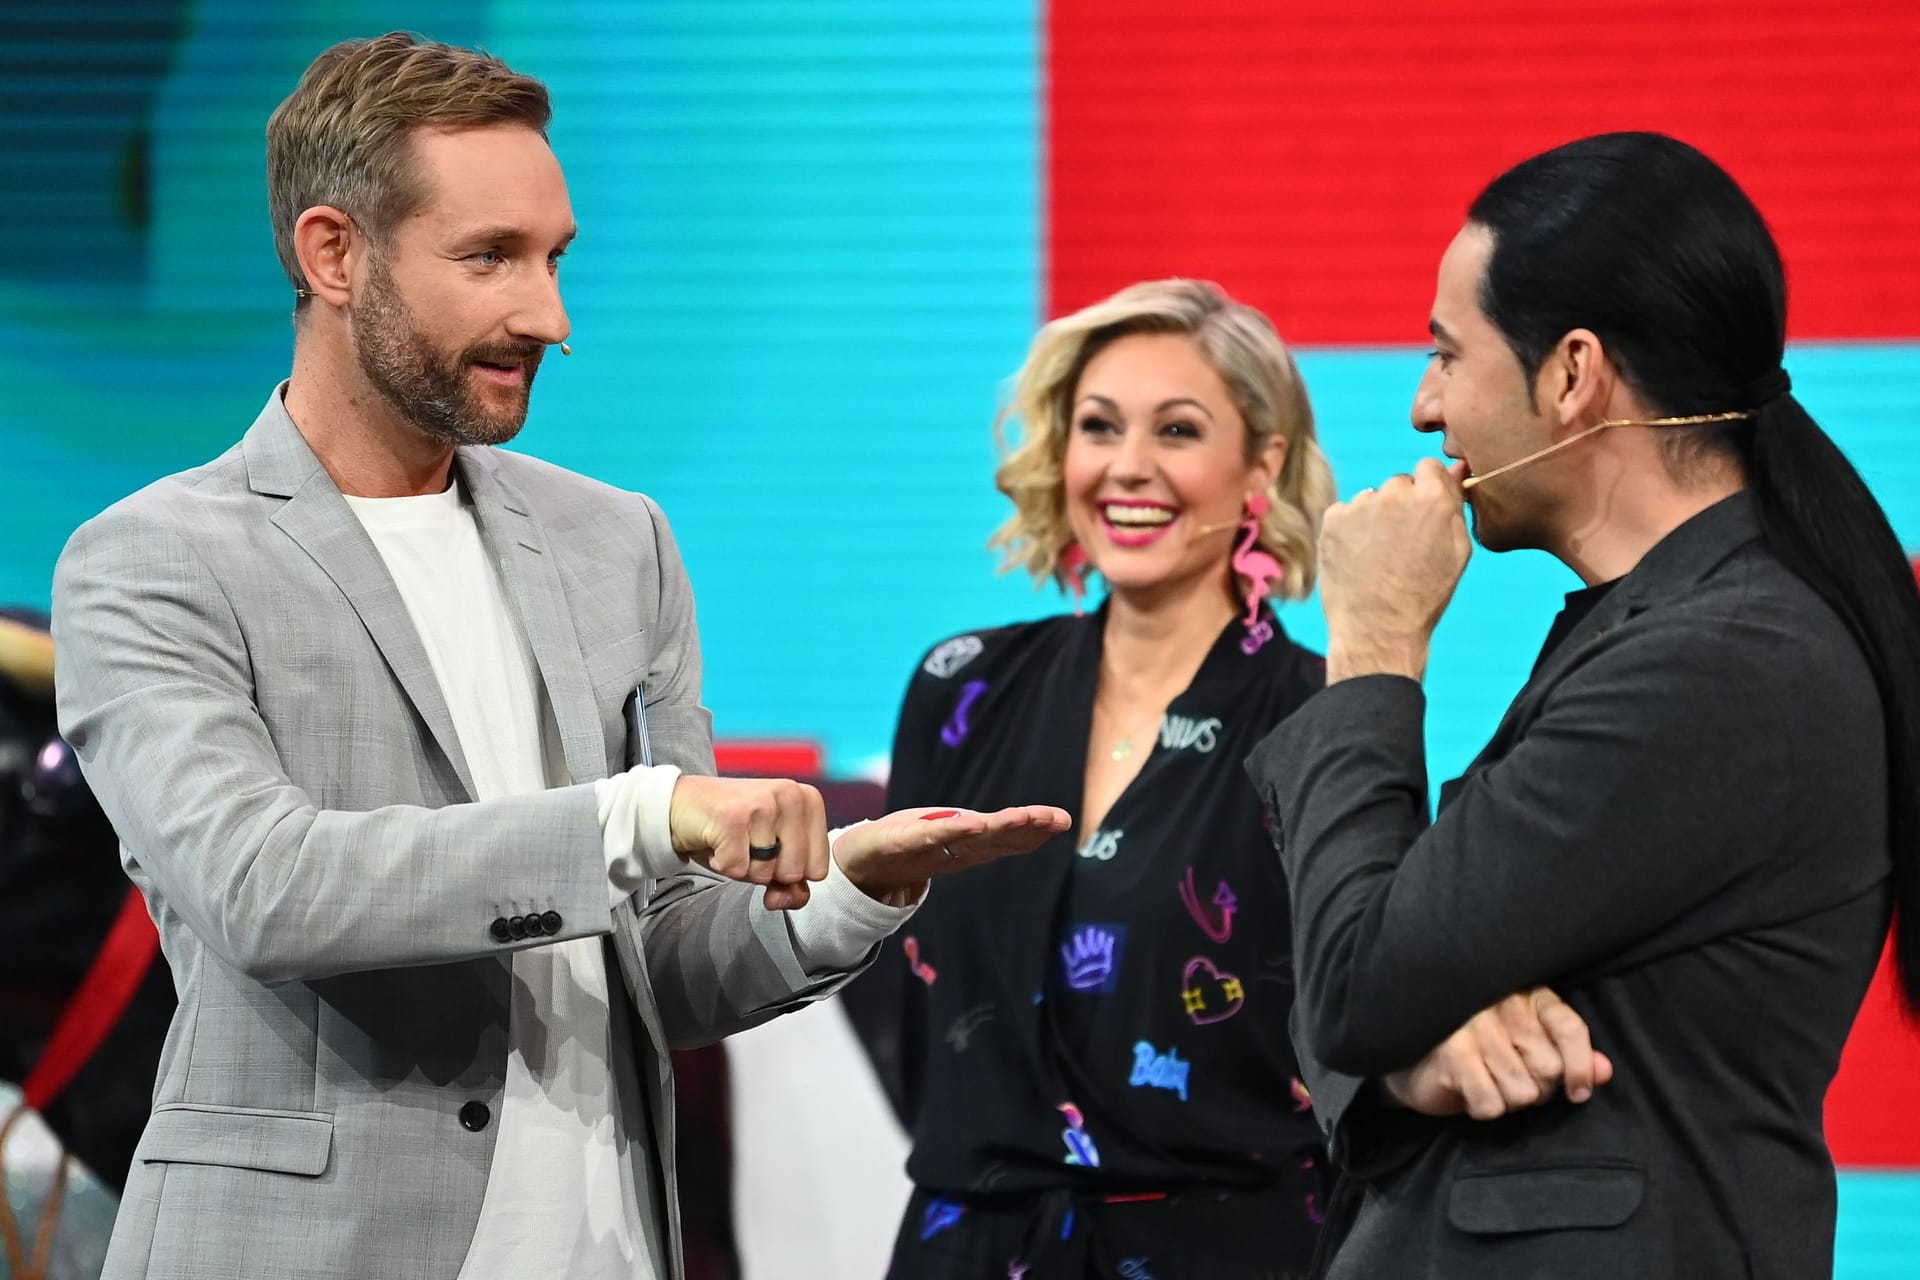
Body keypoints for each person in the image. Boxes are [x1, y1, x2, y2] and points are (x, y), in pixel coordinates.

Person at [50, 33, 1068, 1280]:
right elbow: (266, 887)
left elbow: (662, 965)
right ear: (332, 254)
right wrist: (639, 815)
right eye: (491, 256)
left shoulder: (619, 540)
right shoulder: (154, 559)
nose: (549, 316)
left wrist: (844, 888)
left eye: (554, 257)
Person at [1247, 131, 1920, 1279]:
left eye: (1446, 354)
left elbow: (1354, 976)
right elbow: (1356, 979)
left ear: (1572, 374)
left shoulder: (1723, 663)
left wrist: (1375, 642)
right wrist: (1407, 1059)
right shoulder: (1671, 626)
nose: (1422, 406)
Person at [844, 278, 1335, 1278]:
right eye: (1099, 426)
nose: (1128, 466)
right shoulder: (960, 688)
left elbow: (1362, 1011)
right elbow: (904, 991)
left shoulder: (1324, 718)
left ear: (1262, 465)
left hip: (1228, 1253)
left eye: (1178, 430)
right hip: (965, 1246)